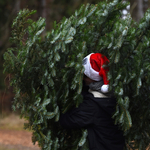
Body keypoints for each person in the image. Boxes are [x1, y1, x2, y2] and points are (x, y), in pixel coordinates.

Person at [59, 53, 125, 150]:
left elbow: (67, 121)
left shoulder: (93, 105)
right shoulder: (115, 93)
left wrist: (58, 106)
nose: (82, 79)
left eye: (85, 76)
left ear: (94, 78)